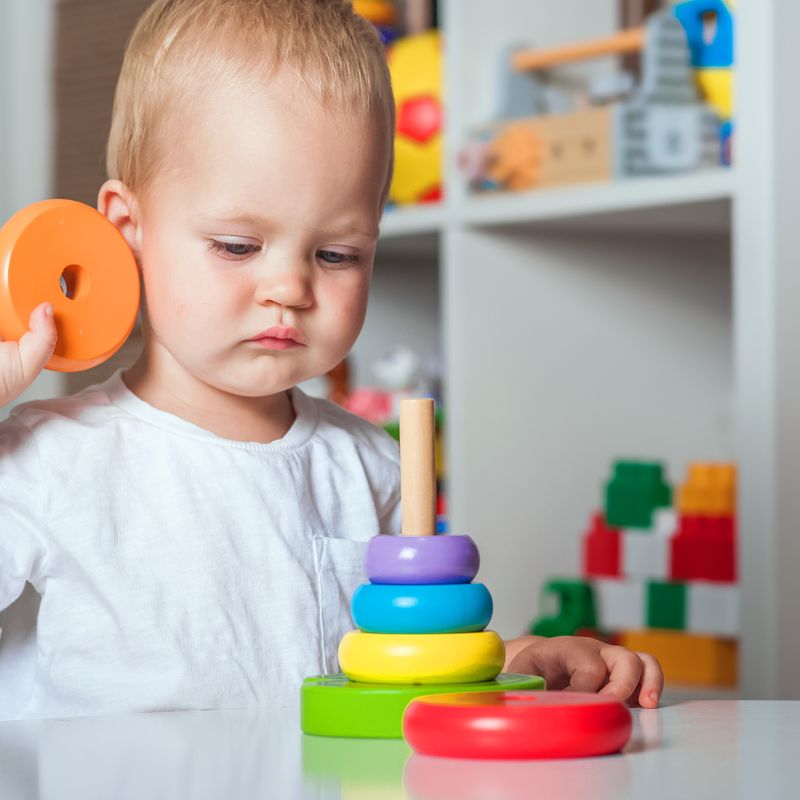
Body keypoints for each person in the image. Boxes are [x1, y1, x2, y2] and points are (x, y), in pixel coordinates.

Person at [0, 0, 662, 721]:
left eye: (337, 254)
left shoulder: (371, 467)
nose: (290, 288)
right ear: (129, 229)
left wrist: (512, 665)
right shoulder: (48, 458)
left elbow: (399, 668)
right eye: (237, 246)